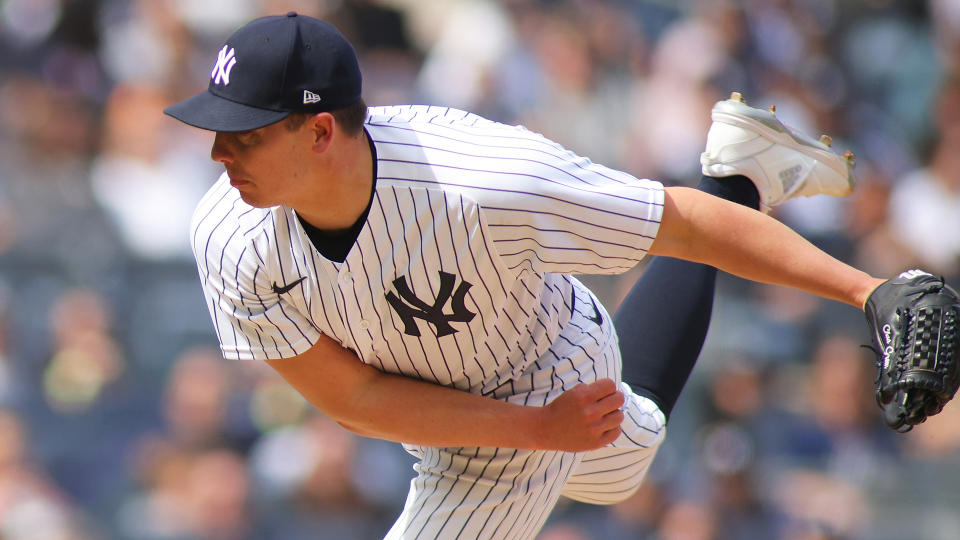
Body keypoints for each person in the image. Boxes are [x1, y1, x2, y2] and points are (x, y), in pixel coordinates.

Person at [164, 12, 884, 540]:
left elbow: (677, 224)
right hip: (474, 414)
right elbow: (353, 398)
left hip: (551, 368)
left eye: (247, 133)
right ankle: (741, 172)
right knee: (629, 455)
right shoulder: (230, 234)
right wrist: (540, 432)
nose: (220, 152)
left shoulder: (483, 178)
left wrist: (867, 290)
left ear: (320, 132)